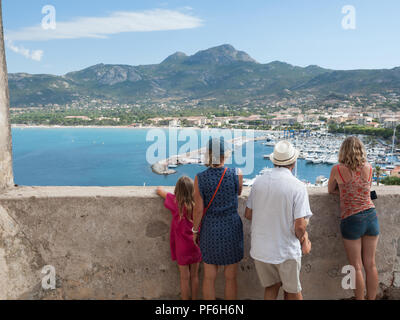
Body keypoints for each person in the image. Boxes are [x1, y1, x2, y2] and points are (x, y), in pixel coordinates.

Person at [245, 140, 312, 300]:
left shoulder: (258, 182)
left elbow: (248, 214)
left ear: (274, 161)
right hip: (285, 250)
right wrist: (304, 240)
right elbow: (300, 226)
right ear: (293, 162)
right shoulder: (298, 186)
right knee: (293, 291)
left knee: (271, 287)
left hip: (261, 249)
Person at [192, 137, 244, 300]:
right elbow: (239, 193)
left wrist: (195, 231)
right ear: (225, 155)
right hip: (231, 228)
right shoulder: (236, 173)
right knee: (231, 278)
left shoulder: (200, 178)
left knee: (209, 277)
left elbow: (198, 210)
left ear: (208, 154)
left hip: (210, 229)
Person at [328, 136, 379, 300]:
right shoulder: (369, 168)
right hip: (371, 216)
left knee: (356, 267)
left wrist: (343, 192)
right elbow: (366, 189)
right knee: (370, 265)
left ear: (343, 150)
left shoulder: (337, 169)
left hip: (351, 218)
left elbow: (330, 190)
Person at [156, 176, 202, 300]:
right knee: (195, 276)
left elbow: (159, 190)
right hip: (196, 245)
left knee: (184, 278)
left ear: (177, 191)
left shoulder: (175, 202)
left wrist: (161, 188)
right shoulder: (197, 204)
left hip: (182, 247)